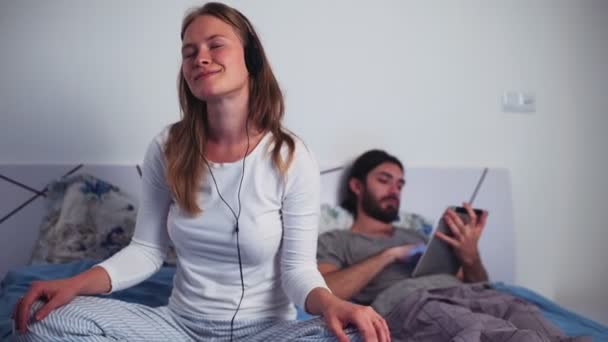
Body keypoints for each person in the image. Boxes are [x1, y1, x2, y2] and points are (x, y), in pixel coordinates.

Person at [12, 3, 389, 342]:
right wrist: (73, 285)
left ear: (251, 59)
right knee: (42, 320)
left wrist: (332, 304)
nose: (200, 58)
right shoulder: (168, 148)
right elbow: (145, 251)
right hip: (178, 328)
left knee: (356, 332)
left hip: (266, 332)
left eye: (215, 45)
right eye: (189, 52)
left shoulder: (291, 157)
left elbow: (298, 272)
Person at [317, 149, 489, 308]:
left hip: (465, 299)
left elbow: (481, 288)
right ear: (357, 186)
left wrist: (471, 259)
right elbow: (325, 293)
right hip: (414, 307)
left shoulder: (418, 238)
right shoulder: (334, 240)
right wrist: (389, 255)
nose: (394, 191)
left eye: (399, 185)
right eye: (384, 181)